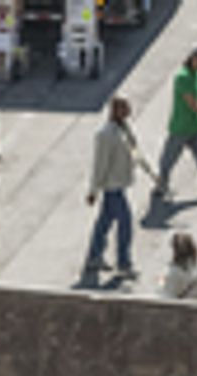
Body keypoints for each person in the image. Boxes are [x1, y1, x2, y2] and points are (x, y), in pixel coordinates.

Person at [154, 48, 197, 200]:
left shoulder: (196, 75)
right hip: (180, 127)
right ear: (193, 59)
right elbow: (192, 103)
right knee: (168, 159)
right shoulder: (183, 77)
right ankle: (161, 186)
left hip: (195, 125)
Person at [85, 97, 137, 278]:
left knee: (104, 223)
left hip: (119, 184)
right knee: (125, 225)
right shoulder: (105, 134)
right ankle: (123, 263)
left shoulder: (123, 128)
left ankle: (94, 256)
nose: (128, 111)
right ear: (115, 110)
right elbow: (100, 164)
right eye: (124, 108)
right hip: (112, 186)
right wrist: (93, 190)